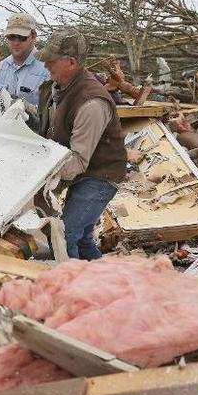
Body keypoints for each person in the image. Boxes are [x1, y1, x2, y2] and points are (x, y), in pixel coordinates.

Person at [36, 28, 127, 260]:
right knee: (83, 239)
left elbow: (77, 161)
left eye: (51, 61)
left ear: (72, 62)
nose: (46, 65)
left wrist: (38, 174)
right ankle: (103, 283)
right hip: (83, 170)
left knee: (66, 236)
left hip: (101, 175)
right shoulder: (58, 87)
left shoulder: (92, 103)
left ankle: (74, 289)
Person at [0, 12, 49, 109]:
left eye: (22, 37)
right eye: (11, 37)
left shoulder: (48, 68)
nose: (16, 43)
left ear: (33, 36)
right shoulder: (3, 66)